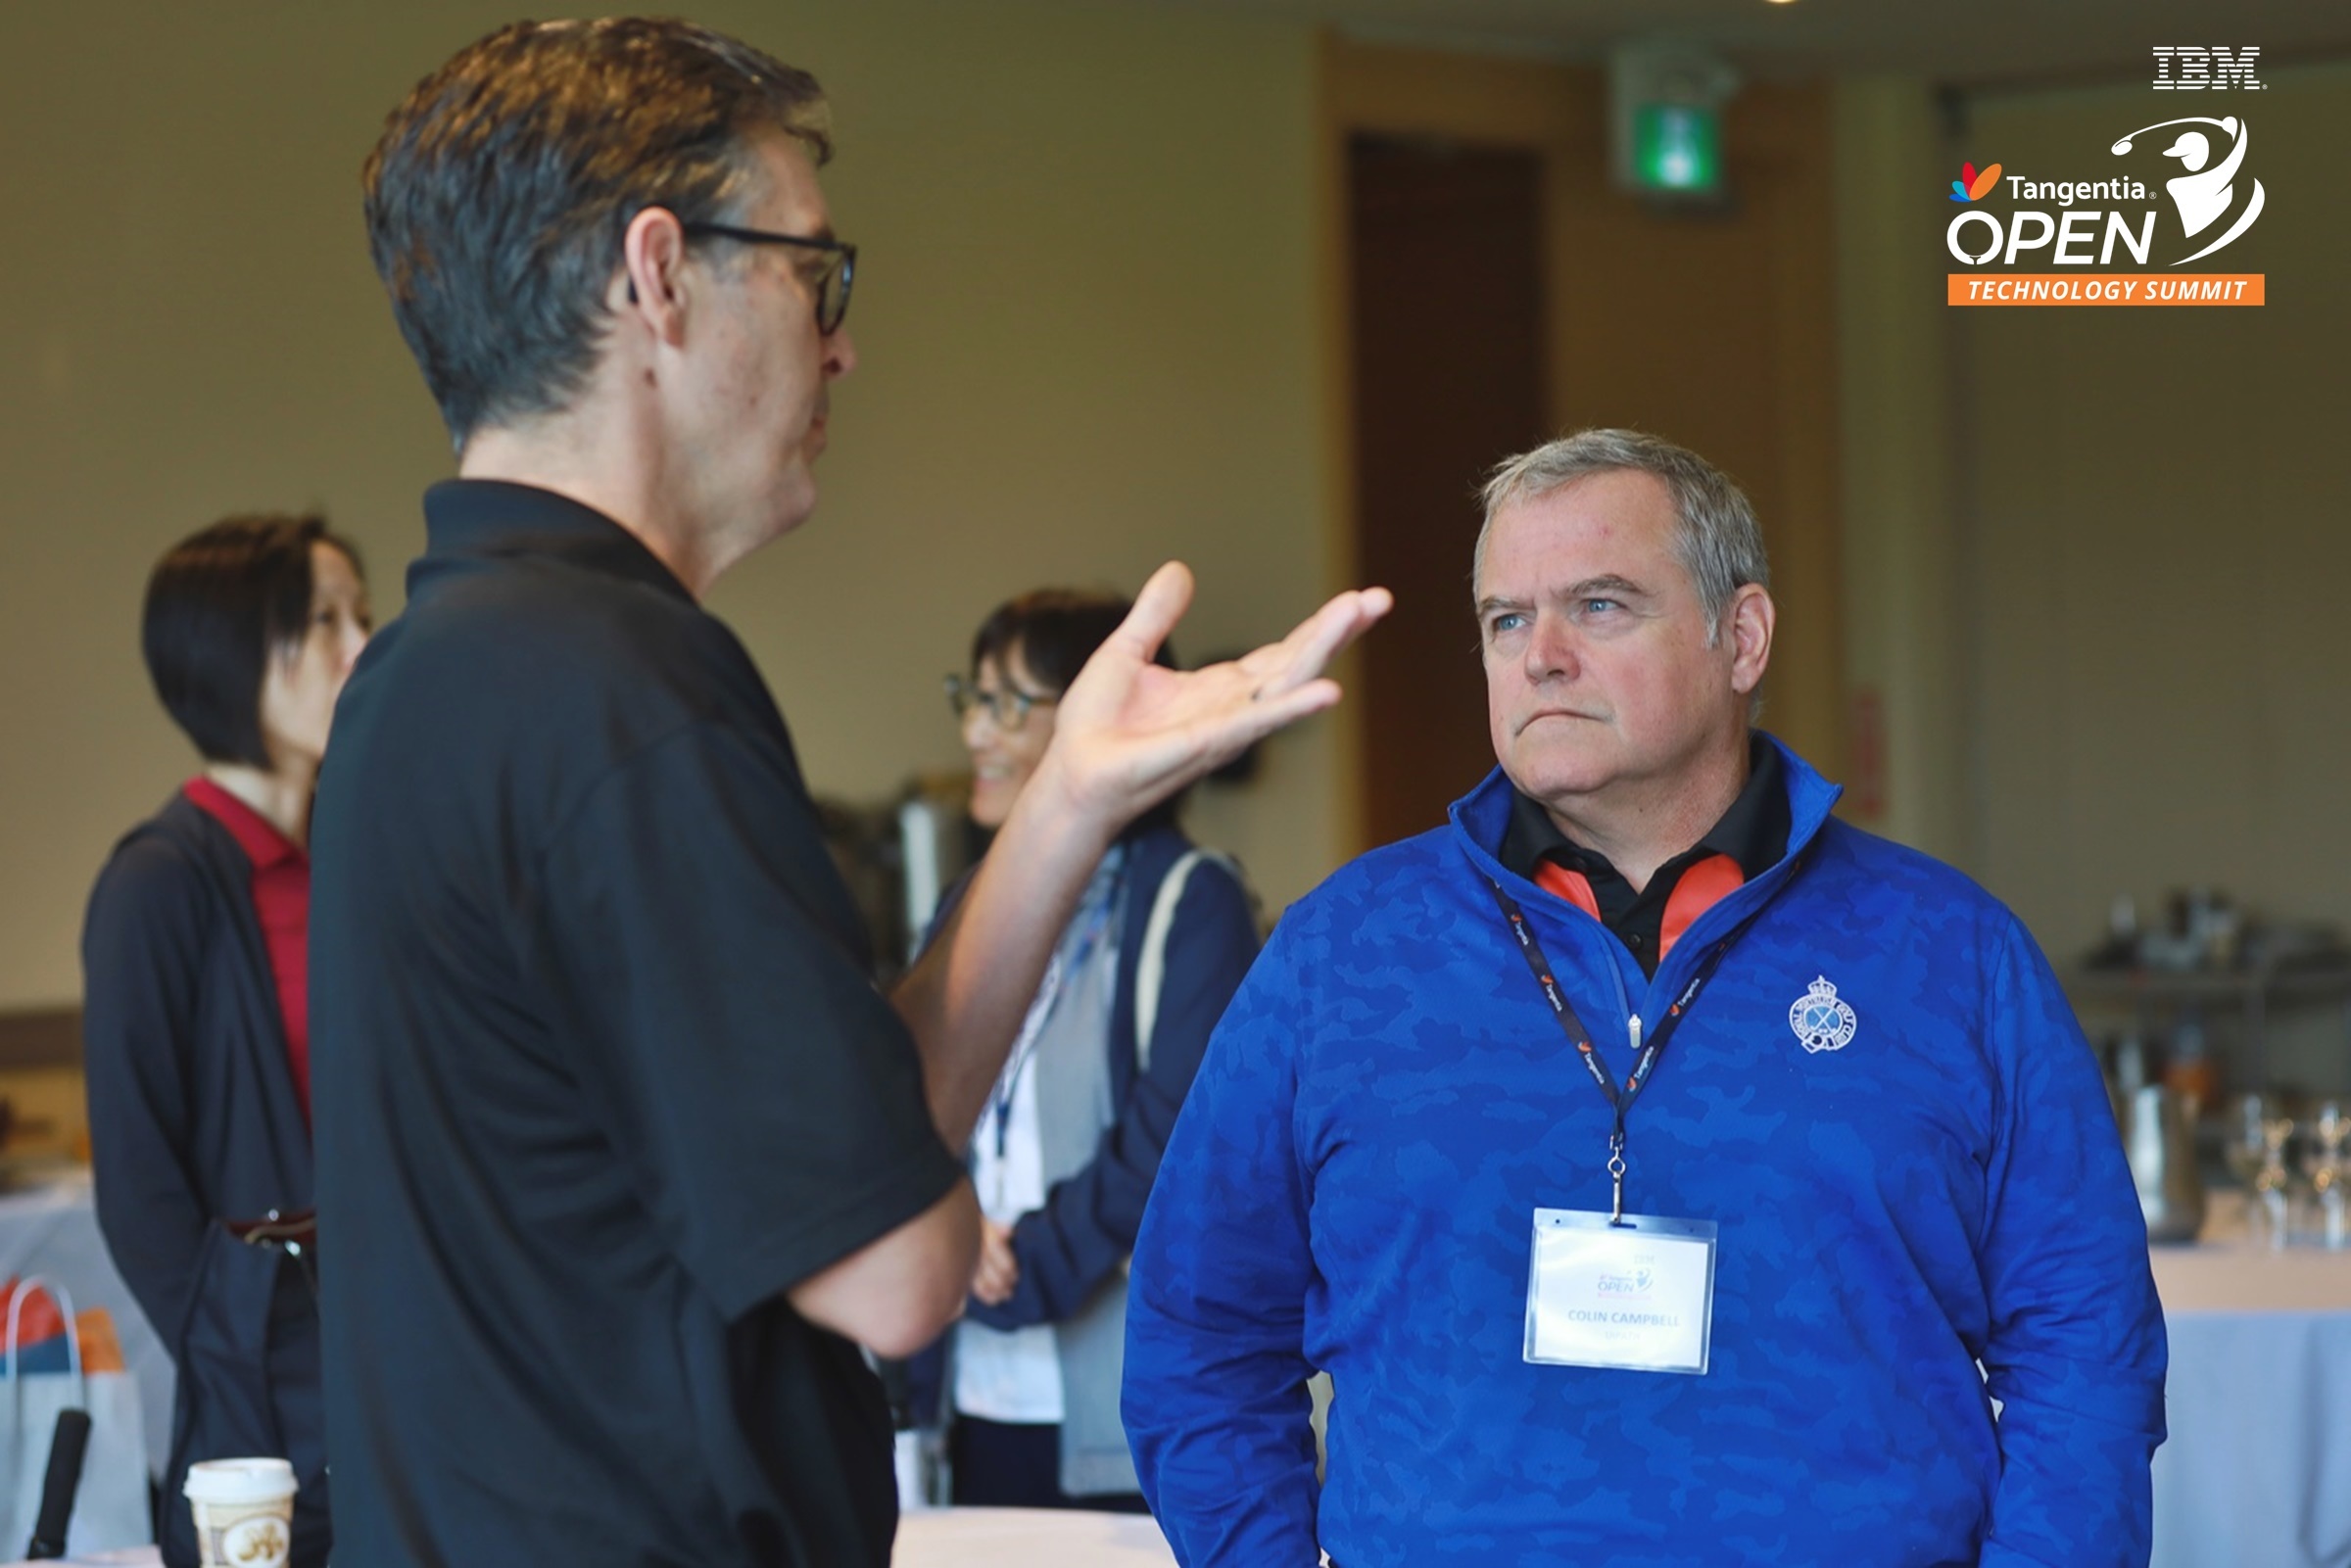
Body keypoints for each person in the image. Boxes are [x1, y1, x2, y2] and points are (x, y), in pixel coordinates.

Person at [308, 20, 1386, 1568]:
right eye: (817, 272)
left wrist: (1066, 804)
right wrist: (938, 1225)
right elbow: (897, 1268)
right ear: (659, 274)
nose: (842, 346)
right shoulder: (619, 692)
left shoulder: (432, 668)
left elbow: (839, 1157)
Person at [1125, 428, 2168, 1566]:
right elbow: (1200, 1330)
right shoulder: (1342, 952)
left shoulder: (1950, 951)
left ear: (1742, 636)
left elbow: (2087, 1351)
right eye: (1505, 619)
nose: (1541, 656)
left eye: (1600, 605)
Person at [912, 591, 1260, 1510]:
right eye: (972, 698)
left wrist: (1014, 1266)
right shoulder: (967, 903)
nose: (976, 732)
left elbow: (1167, 1142)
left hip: (1114, 1409)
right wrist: (945, 1224)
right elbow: (907, 1095)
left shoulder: (1191, 899)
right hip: (969, 1397)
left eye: (1006, 703)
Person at [81, 513, 371, 1568]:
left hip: (400, 1337)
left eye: (362, 614)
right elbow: (140, 1195)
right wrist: (249, 1347)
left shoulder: (357, 852)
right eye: (324, 620)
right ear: (229, 652)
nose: (362, 645)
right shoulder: (158, 883)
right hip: (271, 1376)